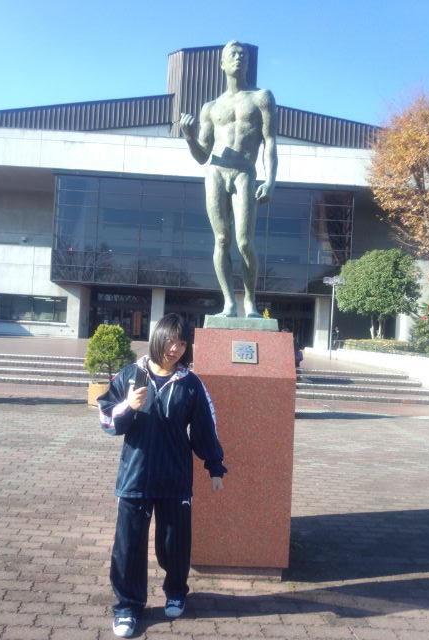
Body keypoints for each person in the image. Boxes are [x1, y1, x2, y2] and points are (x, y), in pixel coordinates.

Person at [98, 314, 226, 638]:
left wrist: (214, 466)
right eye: (170, 341)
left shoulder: (191, 383)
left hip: (174, 478)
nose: (175, 348)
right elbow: (107, 420)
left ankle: (176, 592)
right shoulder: (130, 375)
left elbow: (205, 427)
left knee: (174, 544)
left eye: (182, 343)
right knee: (128, 546)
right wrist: (128, 406)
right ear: (158, 338)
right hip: (135, 477)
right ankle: (128, 607)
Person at [180, 40, 277, 318]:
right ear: (222, 64)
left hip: (244, 173)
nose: (239, 58)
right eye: (233, 54)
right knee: (222, 239)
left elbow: (270, 142)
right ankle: (228, 303)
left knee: (244, 242)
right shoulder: (211, 107)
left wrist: (270, 181)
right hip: (215, 172)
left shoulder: (261, 97)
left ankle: (250, 302)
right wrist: (189, 137)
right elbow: (202, 155)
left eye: (242, 55)